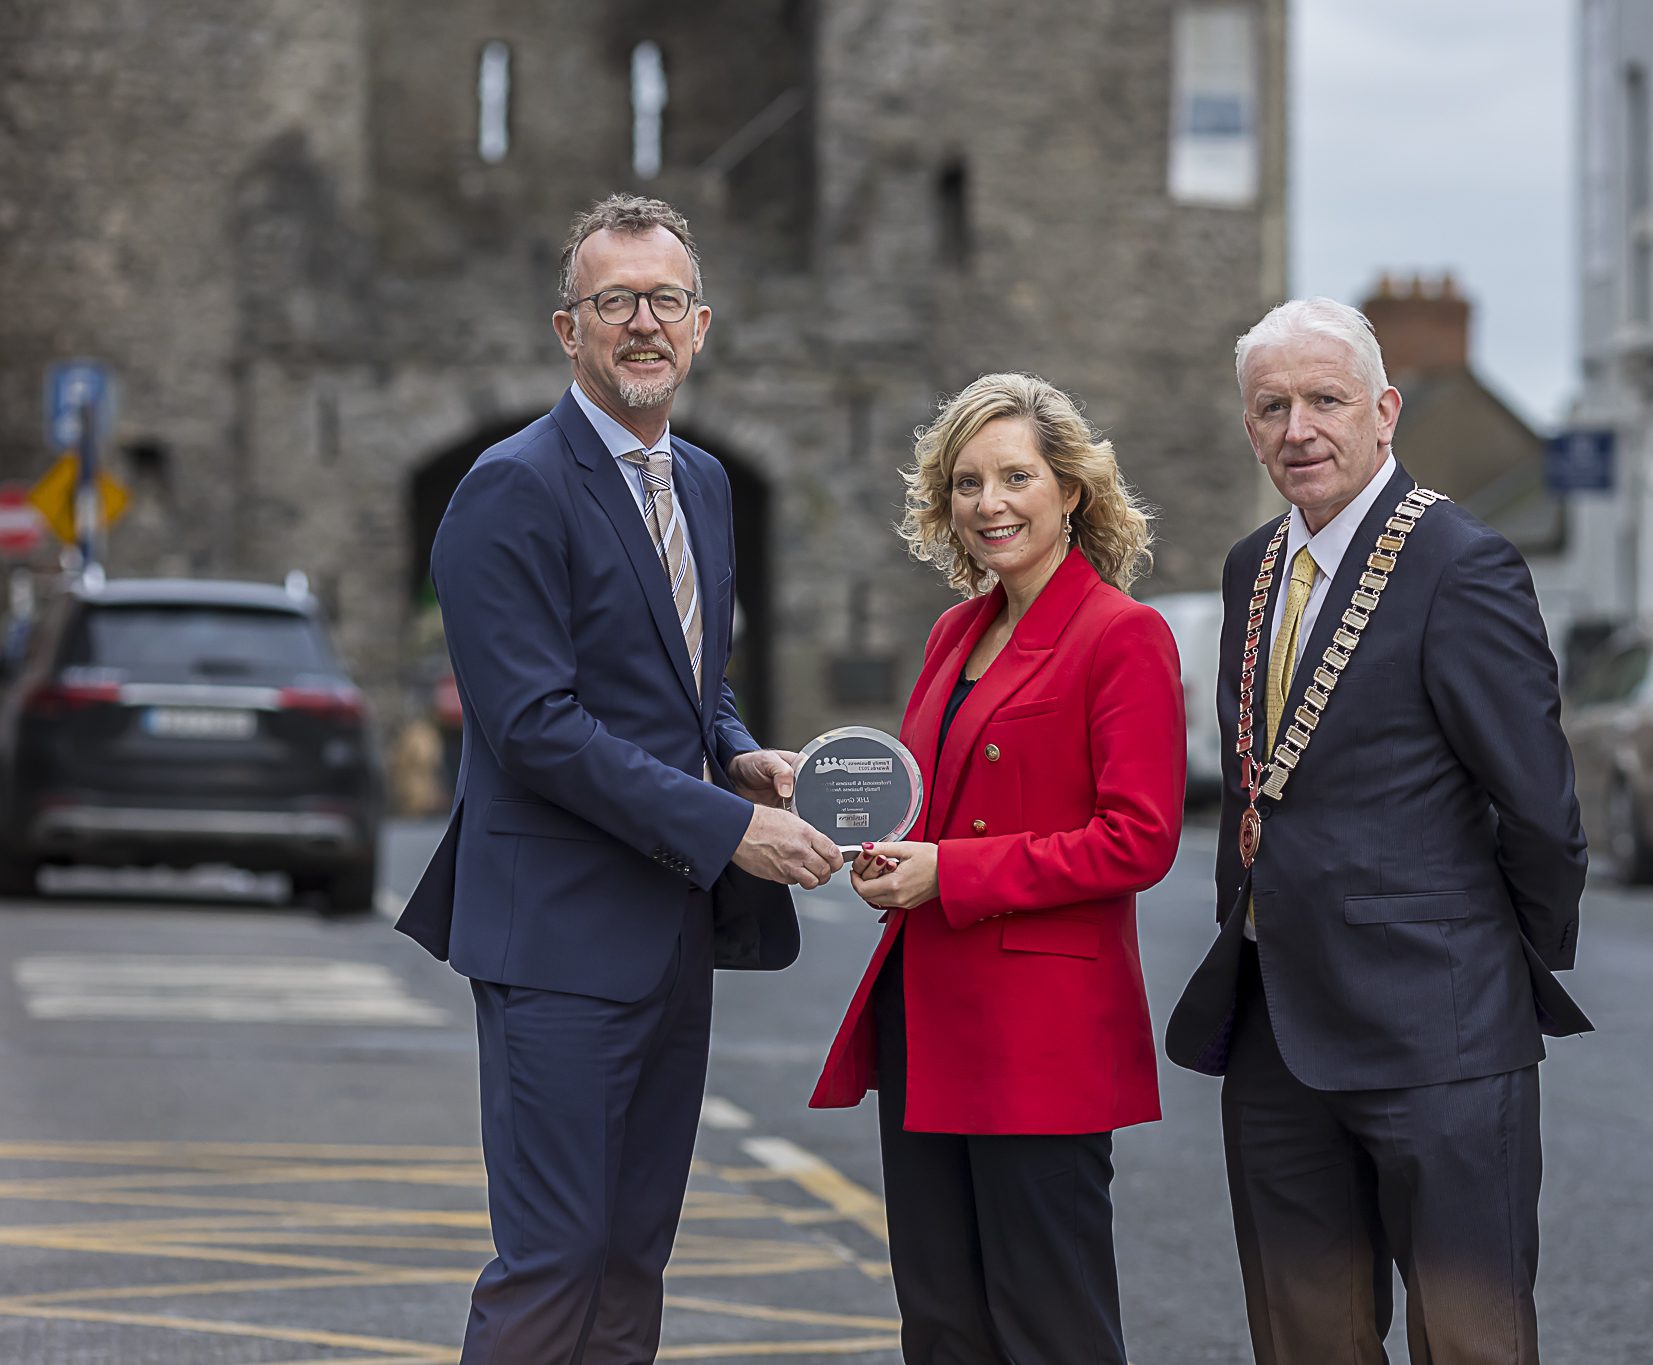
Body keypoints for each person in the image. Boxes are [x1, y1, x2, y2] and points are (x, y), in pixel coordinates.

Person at [396, 194, 843, 1364]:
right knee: (553, 1262)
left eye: (664, 301)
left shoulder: (697, 481)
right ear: (566, 328)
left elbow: (683, 677)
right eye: (613, 302)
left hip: (669, 931)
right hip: (554, 940)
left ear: (700, 327)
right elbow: (535, 725)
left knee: (631, 1259)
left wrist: (735, 750)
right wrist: (727, 830)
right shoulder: (510, 487)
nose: (640, 323)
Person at [1164, 298, 1592, 1365]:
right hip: (1274, 1028)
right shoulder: (1247, 567)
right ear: (1247, 424)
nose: (1297, 429)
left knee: (1469, 1339)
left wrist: (1492, 963)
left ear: (1383, 411)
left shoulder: (1463, 563)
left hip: (1436, 1028)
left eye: (1324, 400)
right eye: (1270, 407)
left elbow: (1539, 810)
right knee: (1304, 1339)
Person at [810, 373, 1185, 1365]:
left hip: (1039, 1037)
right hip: (926, 1017)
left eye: (1015, 476)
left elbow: (1139, 838)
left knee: (1048, 1327)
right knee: (940, 1324)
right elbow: (930, 812)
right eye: (967, 482)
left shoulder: (1122, 636)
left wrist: (952, 874)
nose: (989, 503)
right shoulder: (952, 633)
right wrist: (889, 860)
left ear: (1069, 490)